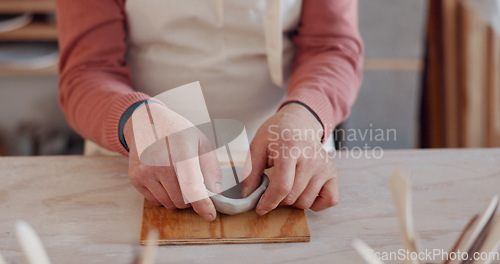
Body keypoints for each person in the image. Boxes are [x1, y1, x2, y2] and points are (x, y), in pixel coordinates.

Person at [55, 0, 363, 221]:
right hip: (140, 150)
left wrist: (304, 116)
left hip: (285, 148)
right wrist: (135, 119)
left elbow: (331, 47)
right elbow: (87, 71)